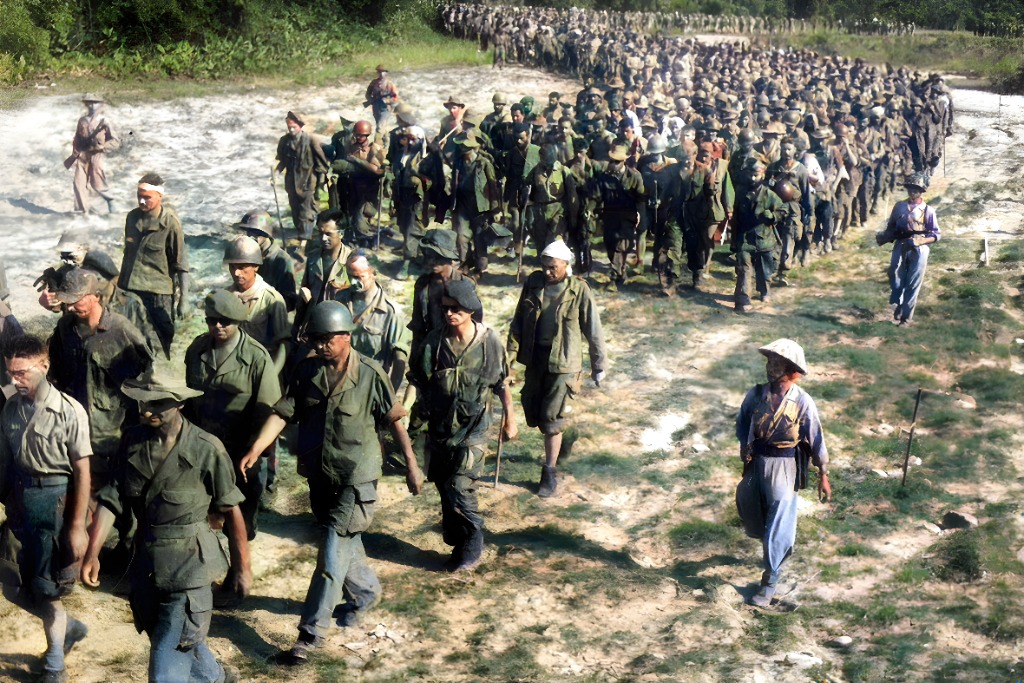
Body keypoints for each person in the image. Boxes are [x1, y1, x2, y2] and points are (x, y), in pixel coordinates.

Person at [240, 302, 423, 666]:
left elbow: (394, 420)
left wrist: (412, 465)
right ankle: (366, 593)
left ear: (346, 337)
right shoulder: (307, 371)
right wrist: (257, 448)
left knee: (331, 551)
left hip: (356, 478)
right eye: (315, 339)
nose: (321, 346)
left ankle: (310, 635)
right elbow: (284, 412)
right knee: (342, 542)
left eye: (327, 339)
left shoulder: (370, 374)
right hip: (321, 475)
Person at [82, 375, 251, 682]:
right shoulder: (132, 441)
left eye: (157, 403)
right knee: (169, 636)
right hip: (146, 565)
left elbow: (231, 509)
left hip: (189, 567)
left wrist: (242, 568)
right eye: (143, 402)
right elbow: (111, 498)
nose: (146, 410)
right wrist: (92, 553)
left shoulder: (206, 448)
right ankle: (215, 677)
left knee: (165, 665)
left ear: (180, 403)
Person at [0, 334, 92, 683]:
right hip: (20, 502)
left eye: (22, 373)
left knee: (47, 589)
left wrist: (77, 527)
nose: (15, 380)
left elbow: (83, 472)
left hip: (55, 503)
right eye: (10, 373)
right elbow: (4, 464)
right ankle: (69, 628)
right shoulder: (11, 408)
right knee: (10, 581)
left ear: (44, 365)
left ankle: (55, 666)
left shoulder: (69, 411)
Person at [409, 280, 516, 571]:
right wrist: (413, 421)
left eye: (456, 309)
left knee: (459, 486)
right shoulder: (434, 342)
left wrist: (510, 419)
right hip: (441, 428)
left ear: (470, 309)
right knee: (444, 487)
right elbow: (420, 382)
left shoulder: (488, 341)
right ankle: (458, 543)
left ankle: (473, 542)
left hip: (474, 428)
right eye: (445, 308)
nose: (449, 314)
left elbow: (501, 384)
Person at [507, 239, 607, 497]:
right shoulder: (534, 283)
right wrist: (509, 357)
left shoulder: (579, 290)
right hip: (535, 358)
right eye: (544, 266)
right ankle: (565, 435)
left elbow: (593, 329)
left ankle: (549, 472)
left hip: (564, 362)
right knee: (534, 411)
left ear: (566, 265)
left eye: (553, 267)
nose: (548, 271)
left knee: (551, 418)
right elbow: (518, 320)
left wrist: (598, 365)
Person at [735, 339, 830, 607]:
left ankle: (770, 580)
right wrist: (745, 445)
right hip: (757, 462)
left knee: (780, 523)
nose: (770, 367)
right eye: (769, 361)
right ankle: (769, 548)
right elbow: (742, 422)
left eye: (777, 363)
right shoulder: (755, 394)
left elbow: (816, 438)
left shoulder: (802, 401)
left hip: (784, 465)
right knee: (748, 505)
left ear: (792, 370)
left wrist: (823, 474)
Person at [47, 268, 153, 504]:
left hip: (113, 433)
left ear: (95, 297)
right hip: (75, 429)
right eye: (67, 302)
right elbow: (55, 373)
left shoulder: (121, 330)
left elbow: (145, 378)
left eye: (75, 301)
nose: (70, 308)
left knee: (118, 494)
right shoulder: (65, 329)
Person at [184, 291, 282, 543]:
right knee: (204, 518)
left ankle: (239, 561)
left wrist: (257, 451)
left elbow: (268, 410)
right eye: (211, 320)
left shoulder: (256, 357)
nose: (217, 325)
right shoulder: (197, 350)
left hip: (241, 452)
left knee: (241, 525)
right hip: (203, 449)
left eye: (224, 321)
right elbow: (190, 400)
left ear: (238, 321)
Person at [117, 173, 190, 359]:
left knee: (163, 337)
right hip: (131, 290)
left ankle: (162, 369)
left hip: (158, 294)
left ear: (159, 196)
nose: (141, 201)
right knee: (131, 337)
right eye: (139, 196)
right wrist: (120, 288)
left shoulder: (170, 223)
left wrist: (184, 300)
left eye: (147, 197)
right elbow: (128, 254)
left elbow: (181, 264)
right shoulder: (132, 218)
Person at [332, 252, 410, 392]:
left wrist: (390, 395)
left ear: (374, 274)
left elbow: (399, 361)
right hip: (338, 380)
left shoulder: (390, 313)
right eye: (350, 276)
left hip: (370, 386)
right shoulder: (340, 300)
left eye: (358, 277)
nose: (353, 282)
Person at [875, 173, 939, 326]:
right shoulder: (899, 206)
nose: (912, 192)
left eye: (916, 189)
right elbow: (891, 226)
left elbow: (936, 234)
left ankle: (905, 318)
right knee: (894, 275)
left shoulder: (928, 210)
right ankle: (899, 303)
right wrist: (885, 236)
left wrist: (922, 240)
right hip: (901, 244)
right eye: (910, 188)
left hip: (920, 248)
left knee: (913, 282)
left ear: (921, 191)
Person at [224, 236, 289, 374]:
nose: (236, 273)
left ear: (256, 267)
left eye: (242, 267)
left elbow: (283, 343)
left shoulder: (271, 299)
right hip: (232, 368)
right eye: (232, 266)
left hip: (263, 367)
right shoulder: (226, 296)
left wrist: (271, 375)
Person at [589, 142, 645, 290]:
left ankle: (614, 277)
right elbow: (596, 196)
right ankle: (621, 272)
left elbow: (641, 198)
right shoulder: (604, 177)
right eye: (611, 161)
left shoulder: (634, 176)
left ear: (624, 161)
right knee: (610, 245)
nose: (613, 164)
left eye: (617, 161)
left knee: (621, 246)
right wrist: (590, 210)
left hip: (627, 215)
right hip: (610, 215)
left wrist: (639, 215)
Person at [731, 156, 784, 312]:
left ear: (763, 174)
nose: (753, 178)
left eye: (756, 175)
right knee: (744, 268)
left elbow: (782, 211)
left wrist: (772, 216)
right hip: (744, 239)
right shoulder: (740, 193)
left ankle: (764, 290)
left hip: (764, 238)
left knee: (764, 269)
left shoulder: (769, 195)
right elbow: (735, 217)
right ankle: (743, 299)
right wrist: (734, 240)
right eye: (750, 175)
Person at [276, 111, 329, 250]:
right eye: (289, 127)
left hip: (308, 181)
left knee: (306, 209)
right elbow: (282, 162)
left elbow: (321, 162)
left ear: (300, 126)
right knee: (295, 209)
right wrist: (275, 174)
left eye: (294, 127)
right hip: (291, 182)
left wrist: (321, 182)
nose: (291, 130)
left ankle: (305, 238)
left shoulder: (310, 140)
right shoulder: (284, 141)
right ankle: (302, 232)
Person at [234, 210, 298, 312]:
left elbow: (290, 301)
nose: (251, 236)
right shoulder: (246, 254)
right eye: (248, 231)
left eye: (256, 232)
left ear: (266, 233)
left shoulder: (282, 260)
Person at [67, 93, 118, 214]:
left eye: (95, 103)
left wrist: (103, 146)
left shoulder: (105, 121)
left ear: (100, 104)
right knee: (78, 183)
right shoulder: (82, 120)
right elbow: (77, 138)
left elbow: (115, 141)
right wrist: (74, 153)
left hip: (96, 155)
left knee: (97, 183)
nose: (92, 105)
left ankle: (110, 200)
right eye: (89, 103)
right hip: (82, 155)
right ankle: (82, 211)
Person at [363, 65, 399, 130]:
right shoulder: (374, 83)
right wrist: (371, 100)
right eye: (379, 72)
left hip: (385, 108)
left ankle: (379, 136)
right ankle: (384, 136)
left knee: (380, 127)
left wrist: (387, 101)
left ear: (386, 73)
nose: (381, 74)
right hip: (376, 107)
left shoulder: (389, 84)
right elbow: (367, 94)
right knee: (379, 125)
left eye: (383, 72)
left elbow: (396, 98)